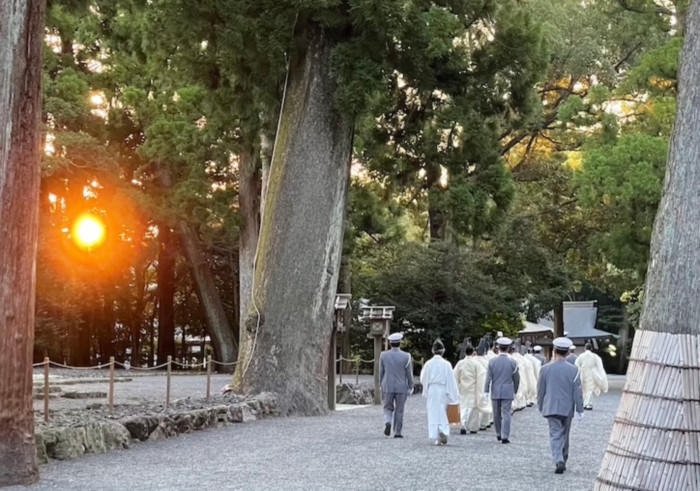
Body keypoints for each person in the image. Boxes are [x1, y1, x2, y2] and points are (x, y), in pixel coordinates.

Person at [537, 337, 584, 474]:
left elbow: (541, 390)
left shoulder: (545, 369)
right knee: (565, 434)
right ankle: (564, 457)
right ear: (568, 352)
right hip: (567, 407)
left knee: (555, 434)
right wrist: (580, 409)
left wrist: (541, 406)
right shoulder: (574, 370)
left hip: (551, 405)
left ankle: (558, 459)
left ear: (554, 351)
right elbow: (577, 392)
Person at [420, 339, 459, 446]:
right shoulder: (446, 364)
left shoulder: (428, 364)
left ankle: (436, 435)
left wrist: (426, 389)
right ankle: (444, 430)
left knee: (433, 412)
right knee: (443, 411)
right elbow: (451, 380)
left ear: (433, 351)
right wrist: (454, 395)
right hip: (443, 389)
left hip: (433, 389)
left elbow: (423, 378)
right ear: (443, 351)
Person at [484, 337, 519, 444]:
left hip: (495, 389)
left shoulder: (492, 361)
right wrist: (515, 390)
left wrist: (486, 390)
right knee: (506, 413)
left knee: (496, 414)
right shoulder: (513, 362)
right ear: (508, 348)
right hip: (508, 390)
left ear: (498, 348)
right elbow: (516, 378)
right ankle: (505, 435)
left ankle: (498, 433)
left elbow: (488, 378)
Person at [379, 332, 414, 438]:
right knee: (399, 410)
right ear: (400, 343)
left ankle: (388, 422)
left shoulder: (383, 355)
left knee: (387, 407)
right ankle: (397, 432)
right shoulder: (406, 356)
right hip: (401, 387)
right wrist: (411, 385)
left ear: (390, 343)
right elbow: (409, 373)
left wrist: (381, 384)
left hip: (387, 385)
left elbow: (381, 372)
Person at [453, 344, 489, 434]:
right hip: (473, 387)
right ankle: (472, 427)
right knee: (473, 408)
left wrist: (456, 386)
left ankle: (463, 424)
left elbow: (455, 376)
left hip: (462, 387)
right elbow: (481, 377)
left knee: (463, 406)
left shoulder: (460, 363)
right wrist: (481, 390)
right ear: (473, 352)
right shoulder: (476, 364)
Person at [575, 343, 608, 410]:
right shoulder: (595, 356)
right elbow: (599, 366)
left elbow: (576, 364)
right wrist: (599, 374)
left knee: (584, 389)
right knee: (590, 389)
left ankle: (583, 403)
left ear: (585, 348)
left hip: (583, 373)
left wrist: (580, 369)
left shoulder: (581, 356)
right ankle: (588, 404)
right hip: (591, 374)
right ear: (591, 348)